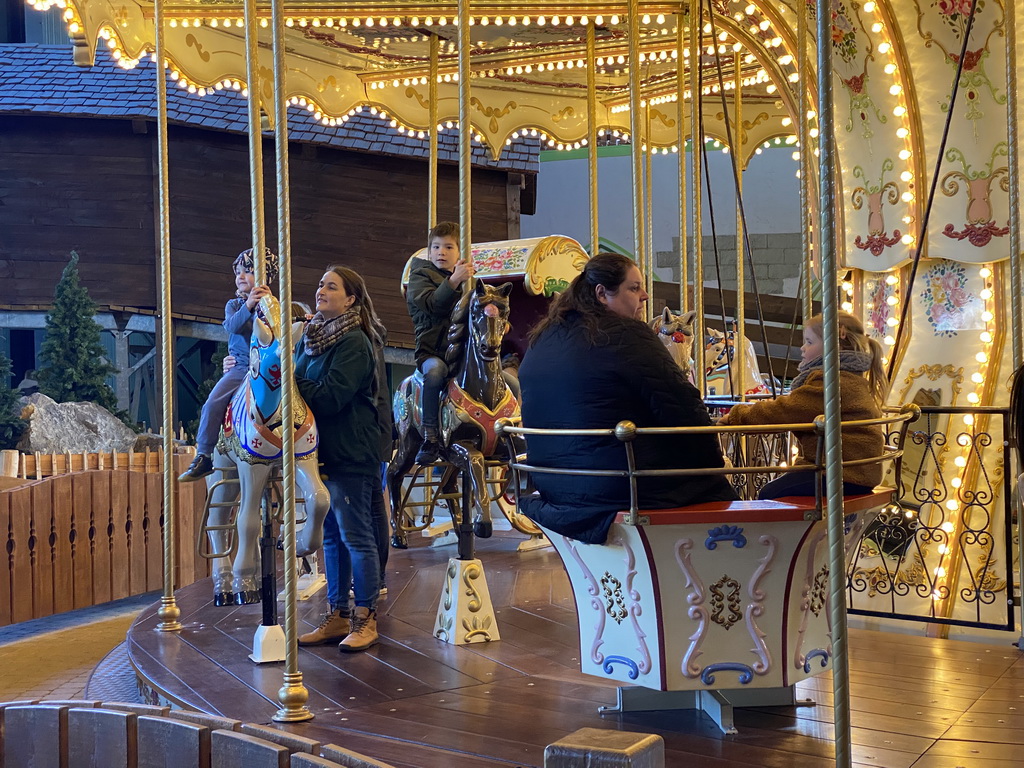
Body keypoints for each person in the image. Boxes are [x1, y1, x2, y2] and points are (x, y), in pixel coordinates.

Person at [517, 253, 737, 545]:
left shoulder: (542, 338)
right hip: (619, 485)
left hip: (556, 486)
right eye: (634, 288)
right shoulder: (626, 334)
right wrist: (711, 463)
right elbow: (683, 409)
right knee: (722, 491)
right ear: (601, 294)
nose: (645, 296)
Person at [294, 265, 385, 652]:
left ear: (350, 299)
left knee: (356, 536)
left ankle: (366, 617)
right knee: (331, 537)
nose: (321, 290)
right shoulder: (312, 339)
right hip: (323, 453)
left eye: (331, 286)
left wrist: (291, 382)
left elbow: (331, 396)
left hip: (351, 450)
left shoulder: (354, 343)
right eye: (319, 284)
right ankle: (338, 615)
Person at [718, 311, 887, 499]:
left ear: (835, 344)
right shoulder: (849, 377)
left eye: (809, 342)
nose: (802, 348)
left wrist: (738, 416)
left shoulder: (831, 381)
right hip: (853, 471)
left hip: (843, 473)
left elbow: (786, 410)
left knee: (770, 493)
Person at [179, 247, 277, 482]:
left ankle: (311, 449)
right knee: (213, 401)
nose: (241, 277)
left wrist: (266, 306)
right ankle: (204, 454)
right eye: (239, 272)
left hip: (269, 368)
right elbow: (232, 326)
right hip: (242, 368)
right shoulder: (234, 305)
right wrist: (249, 306)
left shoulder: (273, 305)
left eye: (249, 271)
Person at [406, 221, 474, 465]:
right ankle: (430, 436)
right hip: (432, 350)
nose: (441, 252)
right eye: (435, 247)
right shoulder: (419, 276)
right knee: (435, 373)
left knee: (507, 381)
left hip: (462, 353)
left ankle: (512, 432)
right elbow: (433, 305)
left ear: (459, 252)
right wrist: (454, 282)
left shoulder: (467, 280)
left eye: (448, 247)